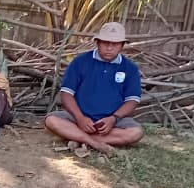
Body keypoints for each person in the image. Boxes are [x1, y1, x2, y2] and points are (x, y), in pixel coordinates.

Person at [44, 22, 144, 154]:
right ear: (97, 42)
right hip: (78, 118)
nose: (109, 48)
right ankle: (95, 143)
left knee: (135, 132)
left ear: (122, 45)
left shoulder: (130, 68)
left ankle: (77, 137)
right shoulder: (80, 62)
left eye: (115, 44)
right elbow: (66, 94)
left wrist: (113, 119)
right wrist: (80, 118)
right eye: (105, 43)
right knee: (51, 121)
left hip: (112, 122)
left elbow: (132, 100)